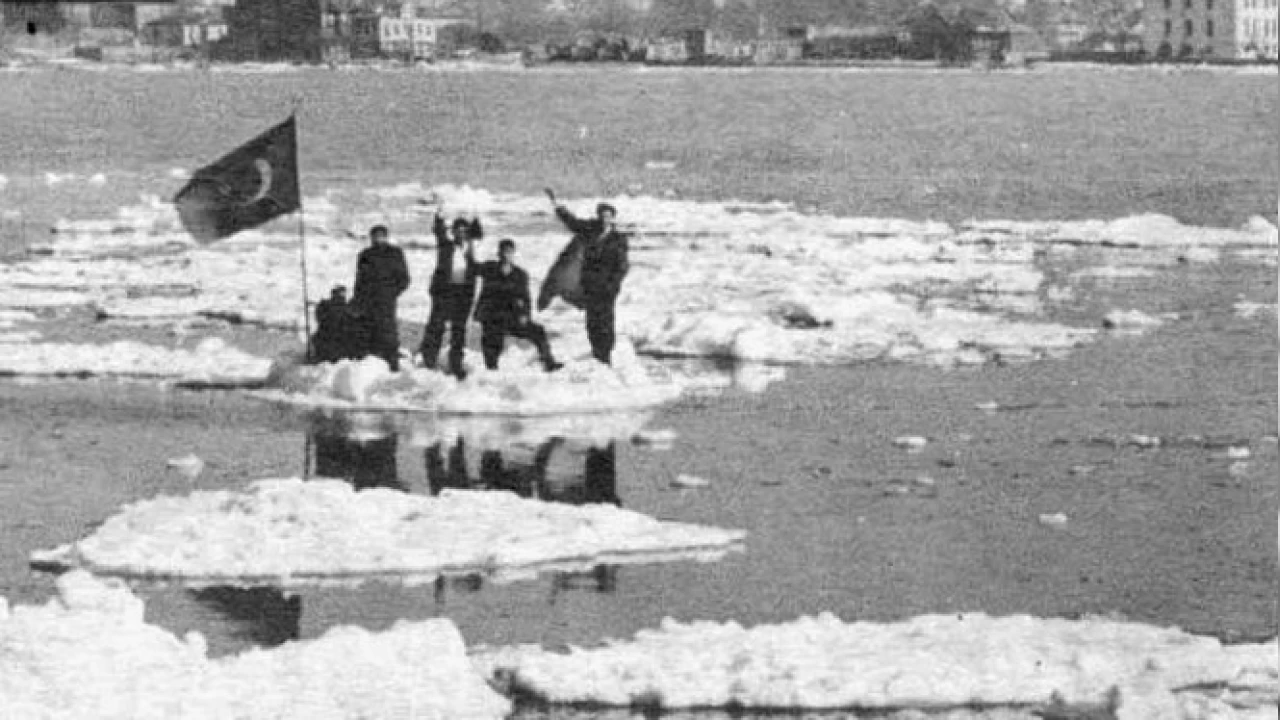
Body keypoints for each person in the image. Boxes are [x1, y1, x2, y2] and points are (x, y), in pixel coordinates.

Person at [548, 189, 630, 365]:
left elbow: (622, 266)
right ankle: (597, 354)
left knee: (606, 322)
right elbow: (573, 223)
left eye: (608, 216)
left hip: (607, 288)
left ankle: (605, 356)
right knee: (592, 322)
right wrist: (557, 205)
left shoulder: (618, 239)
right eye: (602, 215)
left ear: (612, 218)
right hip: (590, 286)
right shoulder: (591, 231)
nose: (604, 219)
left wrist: (613, 285)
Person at [475, 239, 563, 372]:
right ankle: (491, 369)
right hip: (492, 316)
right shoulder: (489, 268)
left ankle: (549, 363)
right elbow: (470, 266)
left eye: (509, 252)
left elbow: (526, 299)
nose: (506, 255)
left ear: (513, 253)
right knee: (492, 342)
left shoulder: (520, 275)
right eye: (504, 252)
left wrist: (525, 316)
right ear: (498, 253)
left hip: (512, 316)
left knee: (538, 331)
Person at [418, 211, 481, 379]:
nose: (461, 234)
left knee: (458, 330)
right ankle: (428, 360)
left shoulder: (472, 249)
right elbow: (438, 231)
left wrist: (475, 213)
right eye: (457, 231)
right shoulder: (446, 245)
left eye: (464, 231)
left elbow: (478, 231)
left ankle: (456, 364)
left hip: (464, 293)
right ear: (453, 232)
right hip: (445, 291)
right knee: (436, 326)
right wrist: (438, 216)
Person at [351, 225, 410, 371]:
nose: (378, 239)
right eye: (375, 236)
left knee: (388, 331)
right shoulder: (365, 255)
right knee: (369, 330)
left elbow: (404, 279)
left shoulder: (395, 253)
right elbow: (359, 279)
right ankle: (372, 364)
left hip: (386, 299)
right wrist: (358, 298)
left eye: (381, 236)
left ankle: (392, 363)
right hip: (368, 299)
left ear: (386, 236)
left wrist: (391, 293)